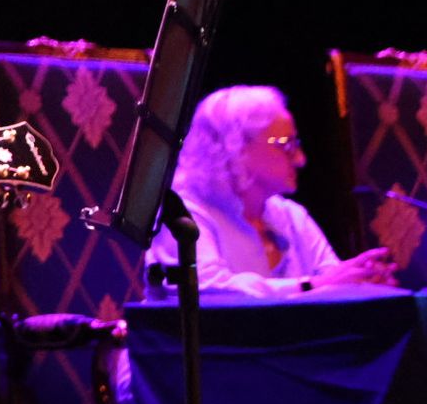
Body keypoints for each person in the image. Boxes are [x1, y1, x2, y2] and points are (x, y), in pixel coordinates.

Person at [145, 84, 396, 297]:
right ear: (236, 146)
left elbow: (331, 281)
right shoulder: (182, 215)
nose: (300, 159)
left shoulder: (291, 216)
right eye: (286, 144)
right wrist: (309, 286)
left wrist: (360, 281)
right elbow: (205, 290)